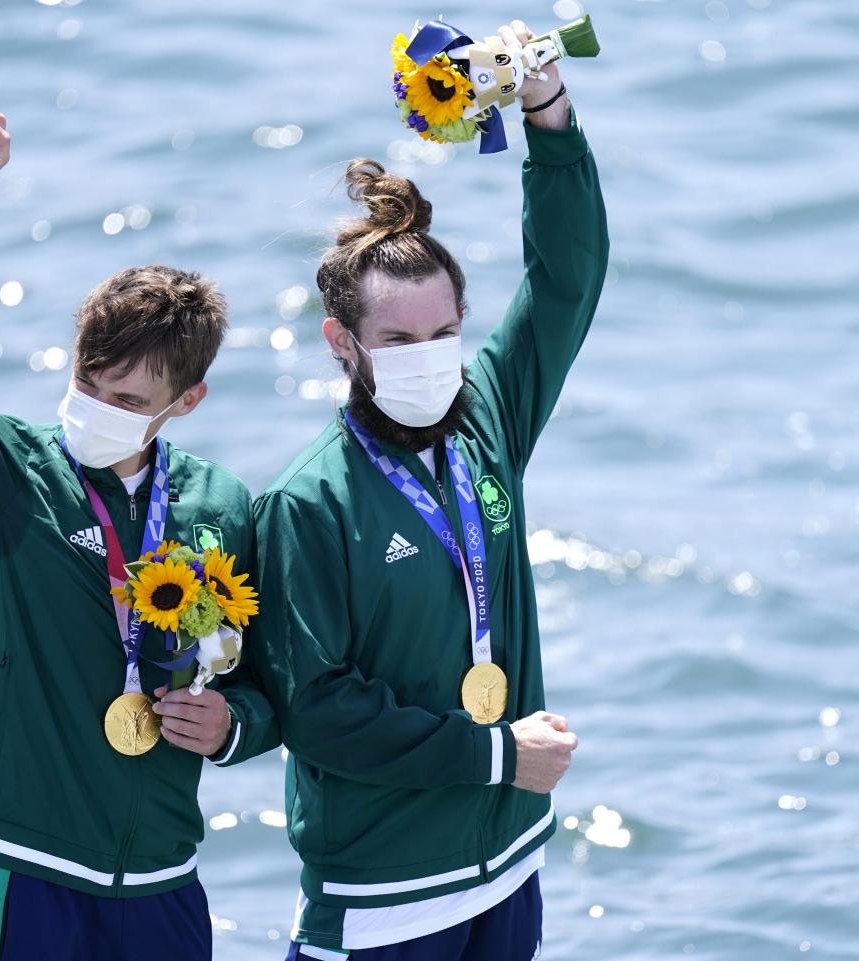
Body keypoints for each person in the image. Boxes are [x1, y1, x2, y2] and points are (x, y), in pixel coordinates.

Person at [0, 112, 278, 961]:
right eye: (89, 383)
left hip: (165, 878)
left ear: (188, 401)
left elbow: (273, 677)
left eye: (129, 401)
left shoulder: (221, 504)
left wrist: (232, 723)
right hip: (26, 868)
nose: (100, 408)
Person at [252, 20, 609, 961]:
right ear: (343, 344)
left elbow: (566, 279)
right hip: (383, 898)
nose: (430, 359)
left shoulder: (488, 414)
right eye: (400, 343)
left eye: (443, 334)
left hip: (509, 866)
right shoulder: (307, 503)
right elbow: (319, 710)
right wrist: (498, 756)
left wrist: (548, 114)